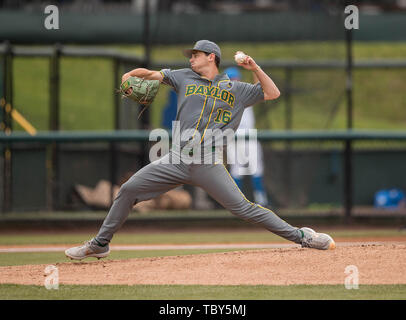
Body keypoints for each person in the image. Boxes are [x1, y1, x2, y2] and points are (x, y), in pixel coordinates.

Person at [65, 40, 335, 260]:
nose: (191, 59)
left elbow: (273, 92)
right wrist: (129, 75)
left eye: (196, 55)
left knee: (245, 208)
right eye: (191, 55)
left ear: (211, 57)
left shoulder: (237, 89)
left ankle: (303, 236)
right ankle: (100, 244)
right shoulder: (183, 77)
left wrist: (254, 67)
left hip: (209, 163)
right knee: (128, 190)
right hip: (176, 159)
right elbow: (152, 75)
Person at [224, 67, 269, 207]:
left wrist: (255, 70)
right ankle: (238, 203)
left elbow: (260, 88)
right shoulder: (226, 95)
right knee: (238, 171)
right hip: (236, 137)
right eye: (231, 79)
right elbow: (260, 89)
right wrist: (255, 70)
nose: (234, 81)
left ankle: (258, 202)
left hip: (246, 136)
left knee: (253, 170)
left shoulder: (242, 92)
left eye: (235, 78)